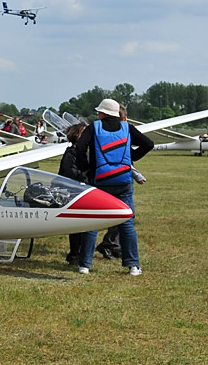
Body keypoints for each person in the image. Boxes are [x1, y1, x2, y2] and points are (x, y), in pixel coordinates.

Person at [73, 97, 154, 276]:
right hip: (123, 181)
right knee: (126, 224)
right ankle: (133, 266)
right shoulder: (127, 127)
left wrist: (85, 168)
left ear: (102, 113)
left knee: (93, 222)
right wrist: (130, 158)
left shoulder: (94, 127)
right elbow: (148, 144)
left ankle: (84, 265)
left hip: (100, 180)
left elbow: (80, 148)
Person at [58, 122, 89, 265]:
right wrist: (87, 173)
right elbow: (71, 174)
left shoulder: (83, 152)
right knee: (78, 225)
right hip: (73, 191)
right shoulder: (70, 153)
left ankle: (81, 252)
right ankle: (74, 254)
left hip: (83, 190)